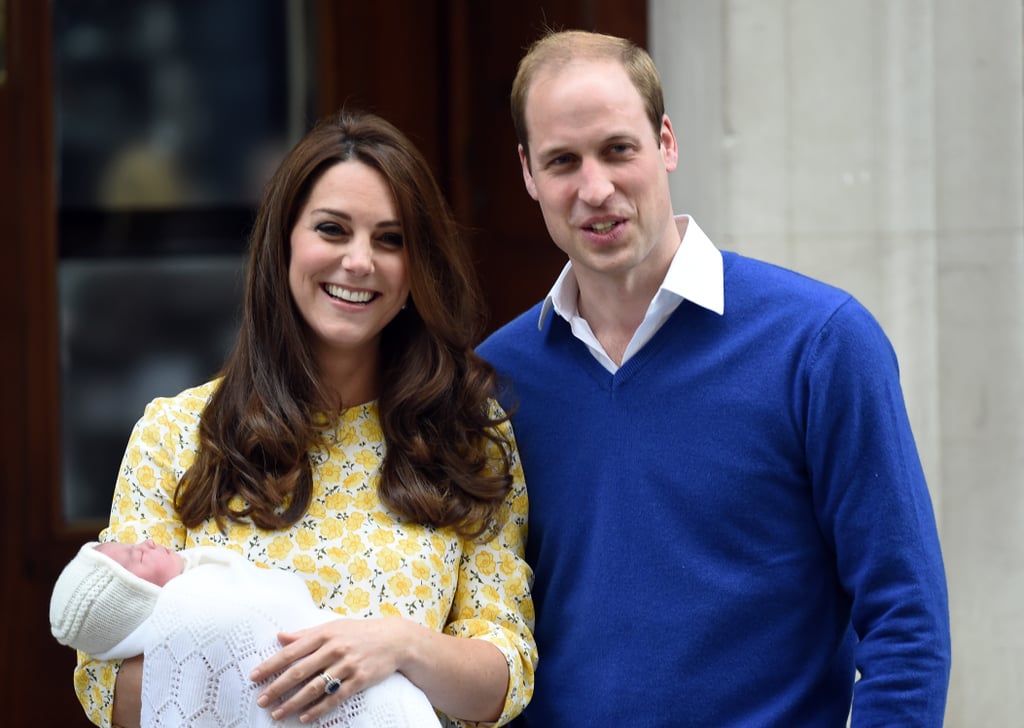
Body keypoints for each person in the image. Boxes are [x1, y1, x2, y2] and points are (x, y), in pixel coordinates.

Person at [477, 29, 951, 727]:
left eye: (618, 150)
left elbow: (906, 619)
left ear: (666, 142)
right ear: (527, 173)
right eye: (562, 161)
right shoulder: (497, 380)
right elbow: (487, 628)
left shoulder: (820, 343)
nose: (595, 188)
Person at [72, 108, 536, 728]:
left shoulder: (468, 437)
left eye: (390, 239)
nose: (359, 261)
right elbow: (103, 686)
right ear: (285, 240)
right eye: (332, 229)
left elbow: (506, 674)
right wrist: (267, 683)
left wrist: (398, 645)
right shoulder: (177, 433)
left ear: (416, 267)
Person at [51, 540, 442, 726]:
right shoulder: (194, 608)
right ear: (131, 599)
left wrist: (399, 643)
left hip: (392, 694)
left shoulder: (206, 584)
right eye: (137, 557)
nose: (147, 543)